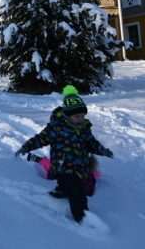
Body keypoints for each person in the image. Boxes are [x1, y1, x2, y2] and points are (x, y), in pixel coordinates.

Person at [15, 85, 114, 223]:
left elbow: (91, 143)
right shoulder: (56, 128)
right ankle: (83, 218)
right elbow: (41, 138)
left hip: (81, 167)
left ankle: (60, 191)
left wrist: (102, 150)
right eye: (77, 116)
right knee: (77, 192)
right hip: (63, 168)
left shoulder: (84, 128)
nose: (81, 119)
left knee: (81, 187)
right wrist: (27, 146)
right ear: (67, 115)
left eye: (83, 116)